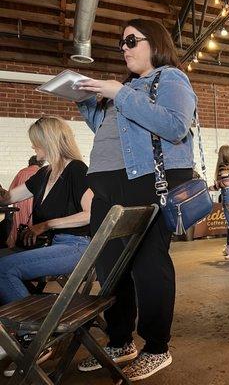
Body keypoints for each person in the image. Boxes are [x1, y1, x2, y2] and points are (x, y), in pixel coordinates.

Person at [75, 19, 196, 380]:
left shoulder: (171, 78)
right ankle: (119, 341)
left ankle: (157, 347)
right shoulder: (126, 88)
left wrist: (120, 93)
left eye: (131, 40)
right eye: (121, 43)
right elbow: (108, 133)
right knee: (110, 267)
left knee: (147, 266)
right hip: (108, 187)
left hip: (146, 182)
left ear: (154, 42)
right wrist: (88, 104)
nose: (124, 48)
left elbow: (175, 126)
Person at [0, 117, 92, 367]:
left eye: (36, 143)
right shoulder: (44, 174)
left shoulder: (76, 169)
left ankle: (34, 338)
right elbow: (8, 198)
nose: (33, 148)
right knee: (2, 262)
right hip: (56, 246)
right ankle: (17, 332)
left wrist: (48, 224)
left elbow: (90, 214)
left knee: (5, 269)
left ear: (49, 141)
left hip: (77, 245)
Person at [5, 156, 44, 248]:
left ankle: (15, 243)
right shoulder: (41, 173)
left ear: (30, 162)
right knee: (32, 223)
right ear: (41, 163)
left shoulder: (21, 172)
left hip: (20, 202)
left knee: (18, 223)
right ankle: (31, 244)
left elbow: (11, 190)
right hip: (34, 202)